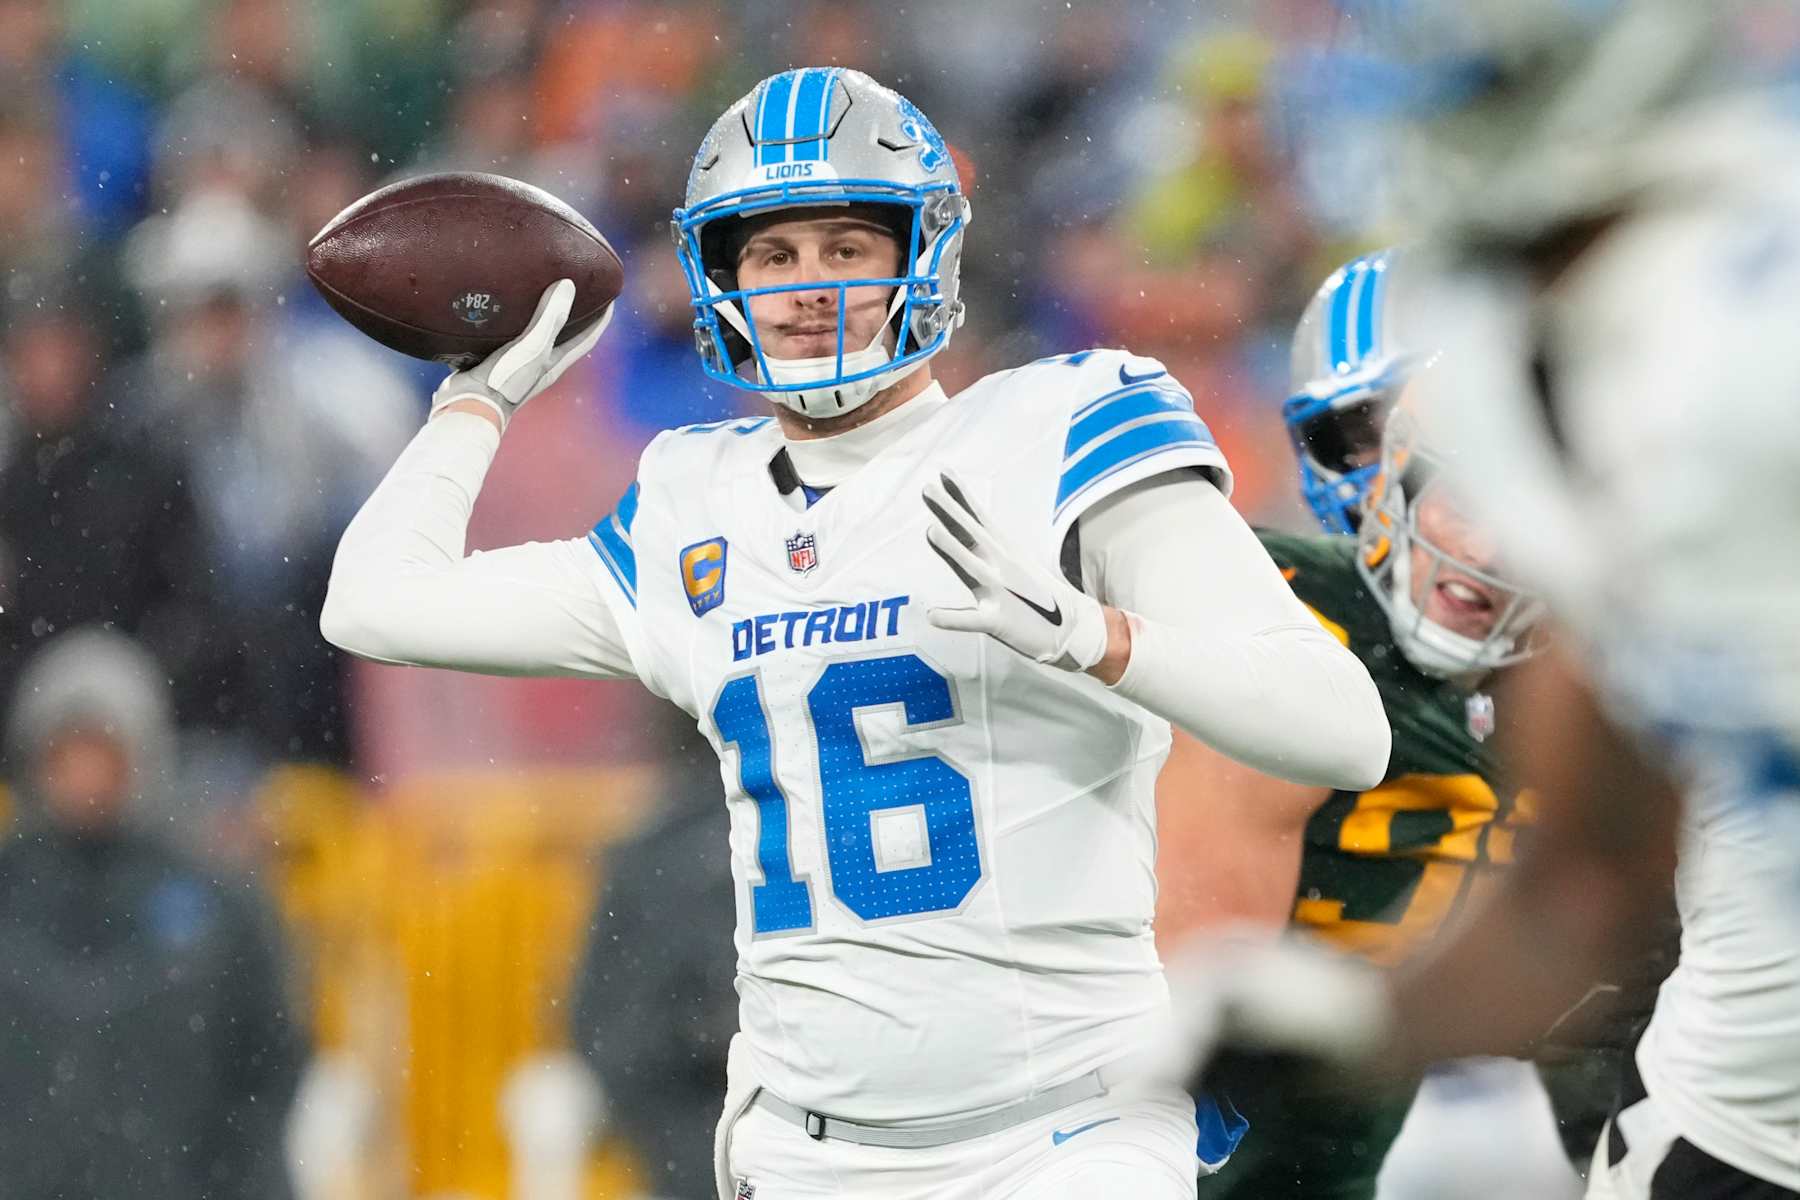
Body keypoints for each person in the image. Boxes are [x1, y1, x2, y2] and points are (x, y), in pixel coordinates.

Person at [321, 68, 1390, 1200]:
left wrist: (1097, 638)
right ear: (719, 275)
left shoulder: (1062, 425)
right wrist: (480, 399)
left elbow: (1343, 731)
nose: (807, 286)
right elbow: (373, 601)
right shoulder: (695, 497)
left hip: (1068, 1135)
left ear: (920, 255)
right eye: (772, 254)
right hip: (807, 1147)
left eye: (846, 246)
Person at [1175, 3, 1800, 1196]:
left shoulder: (1756, 325)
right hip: (1740, 1131)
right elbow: (1589, 874)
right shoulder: (1544, 379)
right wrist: (1353, 1027)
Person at [0, 627, 305, 1199]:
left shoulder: (219, 902)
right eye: (68, 753)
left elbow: (267, 1065)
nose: (85, 776)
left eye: (104, 753)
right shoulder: (11, 888)